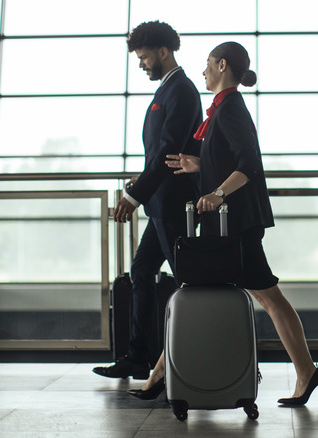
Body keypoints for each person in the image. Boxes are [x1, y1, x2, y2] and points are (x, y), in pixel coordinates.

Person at [128, 41, 318, 406]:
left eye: (208, 64)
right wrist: (200, 166)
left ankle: (306, 372)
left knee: (258, 296)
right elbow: (231, 159)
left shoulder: (231, 107)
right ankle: (159, 375)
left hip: (236, 224)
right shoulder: (221, 110)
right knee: (217, 292)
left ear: (222, 66)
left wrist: (218, 192)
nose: (203, 71)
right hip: (230, 224)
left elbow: (249, 163)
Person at [93, 21, 202, 380]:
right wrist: (143, 180)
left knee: (190, 282)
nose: (141, 65)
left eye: (143, 58)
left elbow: (171, 150)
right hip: (161, 203)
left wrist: (133, 195)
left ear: (163, 52)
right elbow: (161, 153)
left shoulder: (181, 91)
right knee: (141, 272)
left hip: (172, 204)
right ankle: (141, 357)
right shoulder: (167, 91)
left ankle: (195, 358)